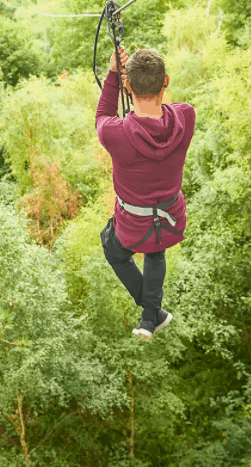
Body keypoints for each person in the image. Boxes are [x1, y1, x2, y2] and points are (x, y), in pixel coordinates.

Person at [96, 46, 196, 342]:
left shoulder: (115, 133)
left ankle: (152, 313)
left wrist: (115, 72)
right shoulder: (186, 117)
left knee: (111, 247)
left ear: (128, 87)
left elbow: (103, 114)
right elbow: (167, 113)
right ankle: (152, 317)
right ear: (166, 81)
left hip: (132, 229)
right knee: (156, 245)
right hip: (171, 222)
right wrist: (132, 81)